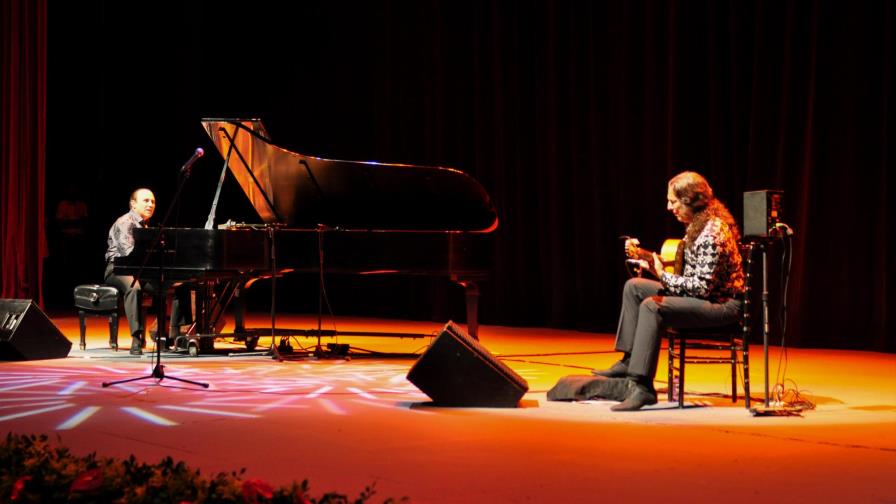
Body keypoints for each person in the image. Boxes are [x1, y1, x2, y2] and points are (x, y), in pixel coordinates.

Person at [593, 171, 745, 411]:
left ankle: (643, 387)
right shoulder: (697, 225)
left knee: (653, 305)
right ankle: (629, 359)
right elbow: (691, 281)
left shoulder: (712, 232)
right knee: (634, 287)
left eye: (673, 201)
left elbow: (701, 288)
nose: (668, 207)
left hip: (723, 306)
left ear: (691, 200)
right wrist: (655, 269)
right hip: (704, 298)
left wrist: (662, 274)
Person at [104, 188, 191, 355]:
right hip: (118, 268)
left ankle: (172, 335)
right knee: (134, 287)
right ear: (133, 204)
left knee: (179, 285)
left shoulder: (146, 226)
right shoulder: (125, 222)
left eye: (153, 201)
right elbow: (127, 254)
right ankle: (137, 338)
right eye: (146, 201)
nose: (150, 204)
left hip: (141, 270)